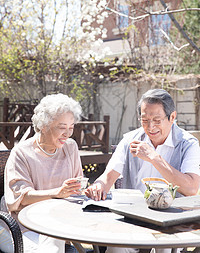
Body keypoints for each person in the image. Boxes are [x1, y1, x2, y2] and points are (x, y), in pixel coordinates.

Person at [85, 88, 200, 253]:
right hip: (134, 217)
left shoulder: (188, 144)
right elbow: (108, 177)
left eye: (157, 120)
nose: (150, 127)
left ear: (172, 117)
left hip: (172, 219)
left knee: (165, 248)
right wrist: (99, 185)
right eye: (144, 120)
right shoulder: (130, 140)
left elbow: (191, 188)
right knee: (115, 246)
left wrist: (154, 158)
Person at [1, 93, 83, 253]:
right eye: (62, 127)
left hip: (57, 223)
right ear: (44, 125)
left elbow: (77, 188)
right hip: (20, 228)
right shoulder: (21, 153)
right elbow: (21, 199)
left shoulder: (70, 147)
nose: (67, 134)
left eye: (71, 127)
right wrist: (57, 193)